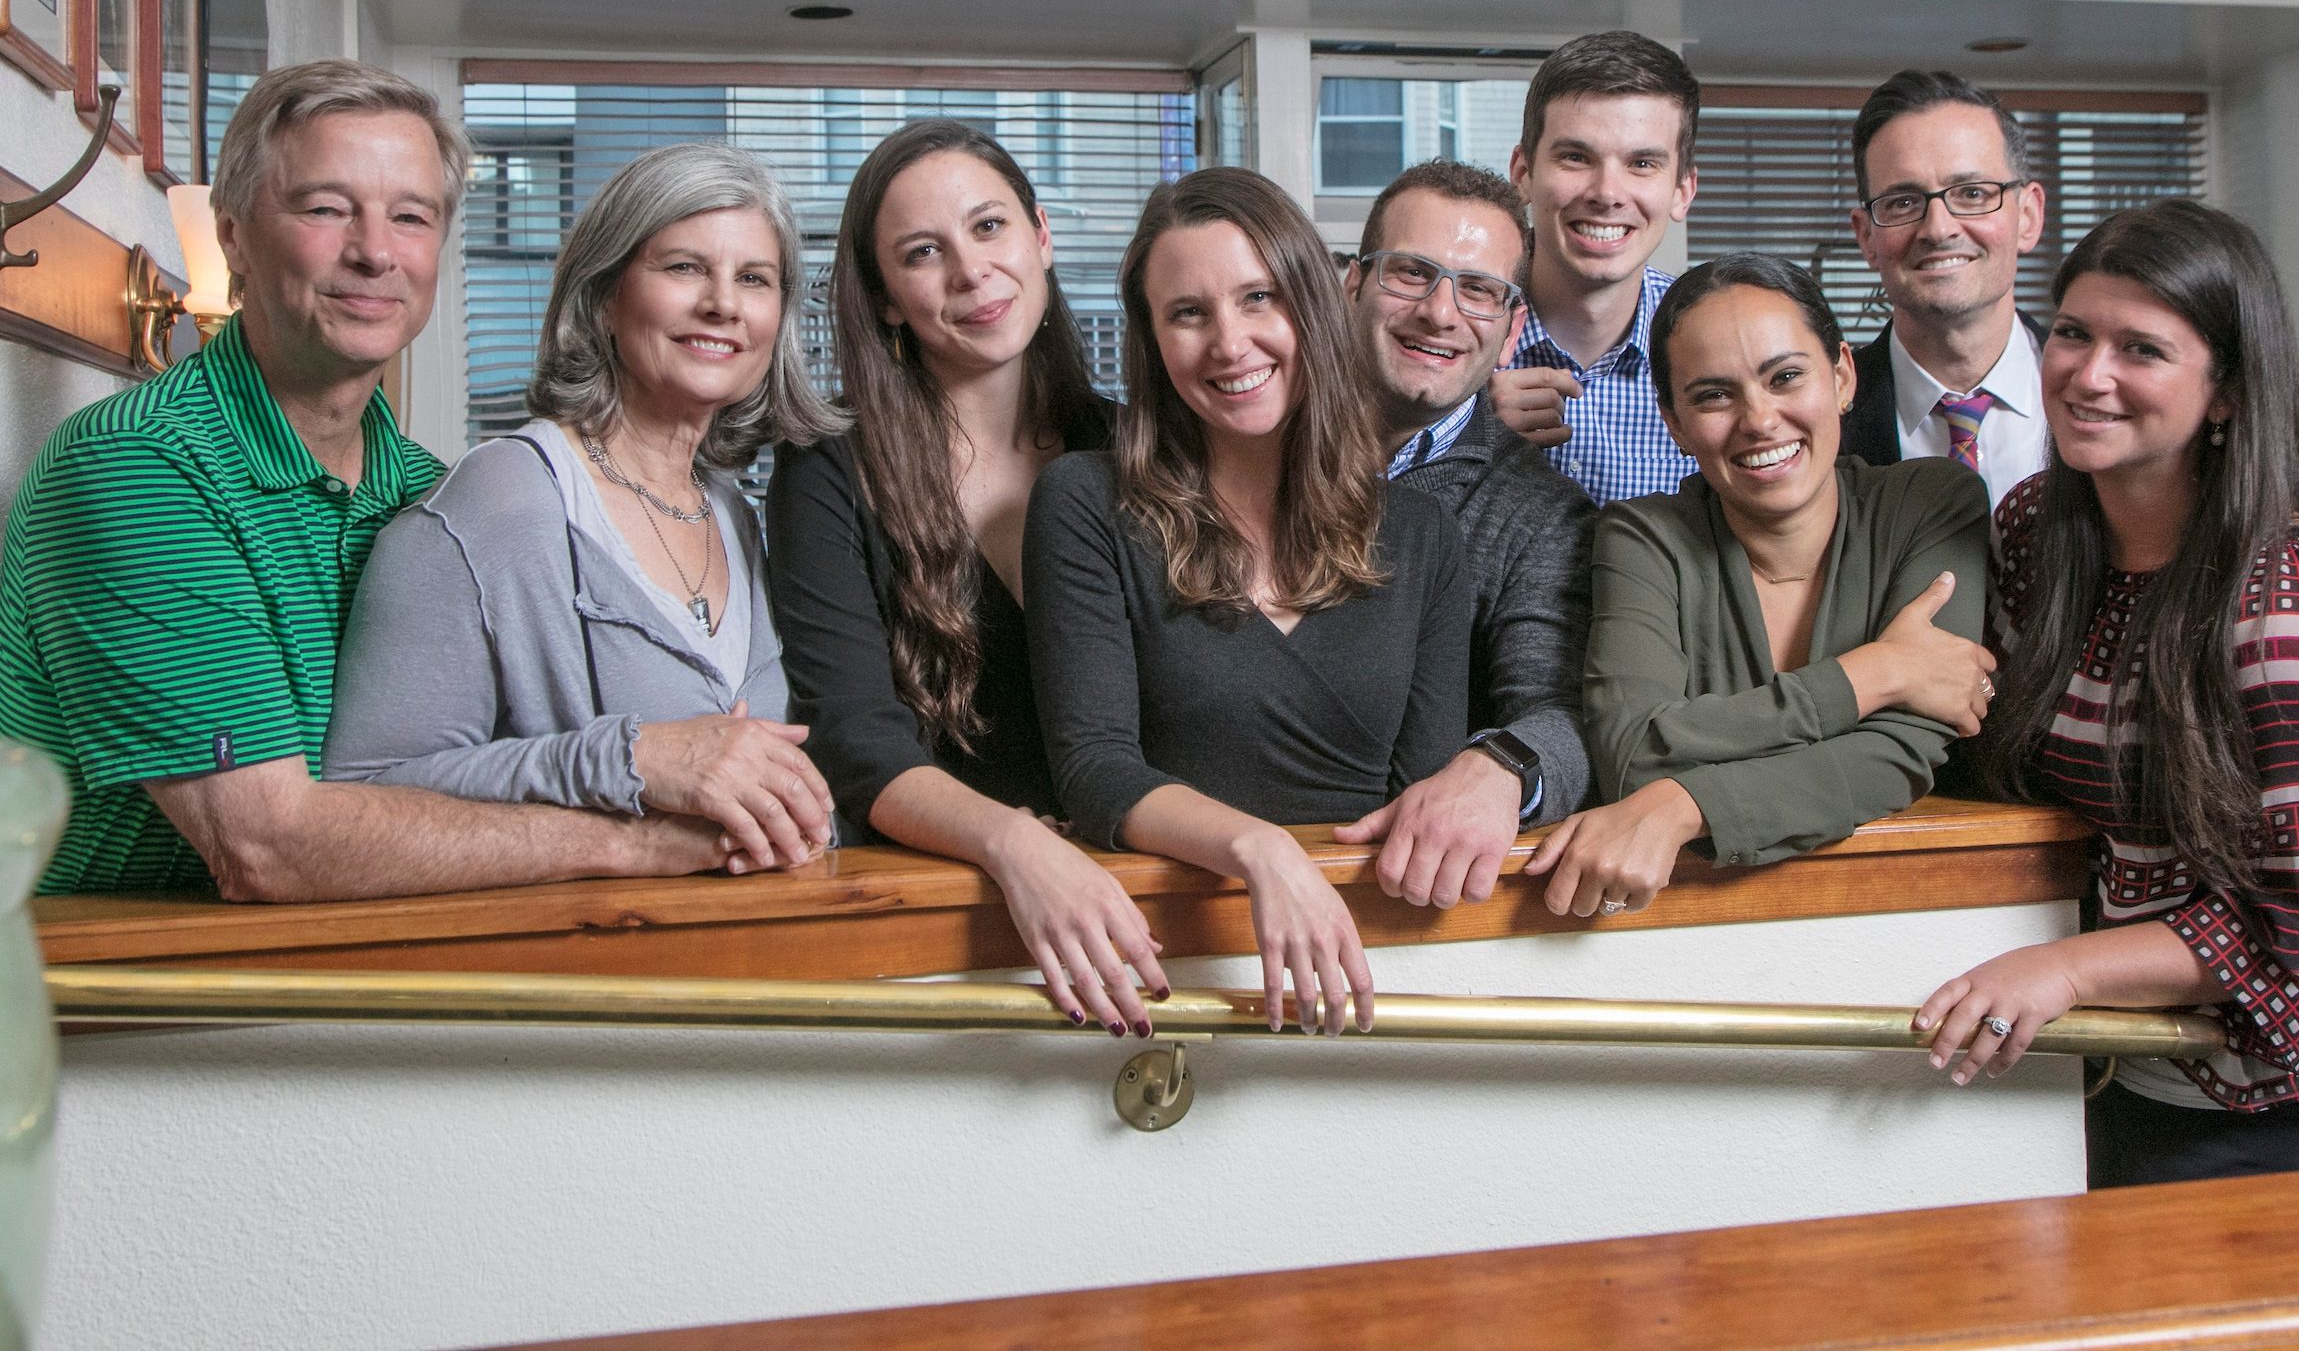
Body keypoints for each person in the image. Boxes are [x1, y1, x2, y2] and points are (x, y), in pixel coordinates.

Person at [0, 61, 715, 900]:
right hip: (120, 979)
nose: (375, 252)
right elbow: (265, 847)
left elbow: (483, 761)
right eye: (325, 209)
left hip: (346, 947)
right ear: (232, 234)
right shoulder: (136, 467)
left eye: (410, 217)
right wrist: (635, 844)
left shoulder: (429, 489)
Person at [1913, 199, 2299, 1188]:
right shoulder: (2038, 529)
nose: (2091, 374)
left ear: (2224, 394)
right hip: (2106, 1066)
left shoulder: (2294, 594)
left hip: (2273, 1096)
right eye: (2078, 334)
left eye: (2142, 349)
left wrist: (2066, 968)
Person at [1025, 167, 1470, 1035]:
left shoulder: (1423, 537)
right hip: (1167, 964)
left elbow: (1420, 798)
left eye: (1258, 298)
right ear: (1152, 344)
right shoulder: (1085, 503)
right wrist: (1263, 851)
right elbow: (1095, 771)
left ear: (1312, 306)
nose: (1229, 343)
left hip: (1365, 963)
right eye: (1188, 314)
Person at [325, 142, 839, 876]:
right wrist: (632, 758)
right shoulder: (500, 503)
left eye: (754, 278)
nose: (723, 303)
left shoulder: (730, 510)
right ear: (604, 297)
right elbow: (360, 799)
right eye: (684, 267)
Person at [766, 119, 1171, 1038]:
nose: (971, 272)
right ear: (883, 300)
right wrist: (1014, 844)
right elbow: (853, 744)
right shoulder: (827, 471)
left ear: (1042, 236)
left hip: (1152, 899)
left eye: (989, 227)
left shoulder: (1137, 445)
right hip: (947, 931)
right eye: (922, 252)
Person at [1529, 253, 1992, 919]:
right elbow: (1631, 757)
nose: (1759, 419)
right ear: (1675, 423)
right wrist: (1878, 674)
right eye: (1714, 394)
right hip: (1686, 928)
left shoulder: (1931, 504)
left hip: (1896, 920)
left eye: (1787, 377)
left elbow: (1900, 752)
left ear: (1841, 377)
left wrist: (1687, 803)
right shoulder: (1643, 537)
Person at [1327, 160, 1599, 910]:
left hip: (1394, 900)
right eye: (1412, 273)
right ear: (1352, 286)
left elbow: (1563, 710)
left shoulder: (1544, 516)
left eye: (1478, 289)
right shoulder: (1246, 449)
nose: (1441, 313)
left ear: (1512, 329)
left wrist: (1504, 765)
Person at [1488, 30, 1701, 504]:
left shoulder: (1711, 346)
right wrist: (1464, 431)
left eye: (1642, 163)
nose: (1606, 193)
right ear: (1523, 173)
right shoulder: (1450, 334)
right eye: (1576, 157)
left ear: (1683, 190)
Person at [1842, 70, 2050, 507]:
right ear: (1866, 238)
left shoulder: (2101, 396)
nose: (1938, 229)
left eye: (1972, 193)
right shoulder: (1822, 420)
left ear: (2028, 216)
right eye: (1902, 202)